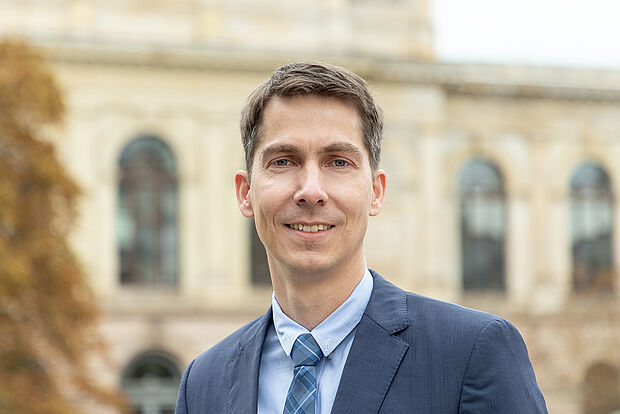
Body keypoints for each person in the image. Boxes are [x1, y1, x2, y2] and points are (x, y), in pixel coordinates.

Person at [175, 61, 548, 414]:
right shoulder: (203, 384)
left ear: (376, 192)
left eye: (338, 162)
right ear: (245, 193)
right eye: (283, 161)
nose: (310, 191)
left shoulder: (473, 353)